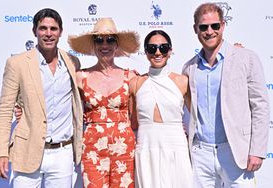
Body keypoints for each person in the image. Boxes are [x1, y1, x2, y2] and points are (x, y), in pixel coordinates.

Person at [182, 3, 270, 187]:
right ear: (195, 29)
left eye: (214, 26)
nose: (209, 31)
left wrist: (257, 150)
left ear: (222, 25)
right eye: (203, 27)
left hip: (236, 152)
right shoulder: (189, 68)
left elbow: (260, 107)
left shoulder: (246, 58)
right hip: (201, 155)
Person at [0, 8, 83, 188]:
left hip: (62, 153)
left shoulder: (73, 62)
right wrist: (0, 152)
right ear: (34, 31)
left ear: (60, 32)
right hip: (28, 150)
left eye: (53, 29)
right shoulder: (17, 63)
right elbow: (4, 110)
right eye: (43, 28)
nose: (48, 34)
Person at [68, 18, 140, 187]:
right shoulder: (80, 77)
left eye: (110, 40)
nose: (104, 45)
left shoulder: (130, 77)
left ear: (117, 44)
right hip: (92, 147)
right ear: (93, 45)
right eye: (99, 40)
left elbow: (139, 114)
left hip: (124, 148)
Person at [129, 30, 192, 188]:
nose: (158, 52)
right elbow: (133, 122)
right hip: (146, 147)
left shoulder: (182, 81)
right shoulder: (136, 83)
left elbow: (198, 116)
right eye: (152, 48)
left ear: (170, 51)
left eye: (163, 48)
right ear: (145, 52)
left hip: (176, 146)